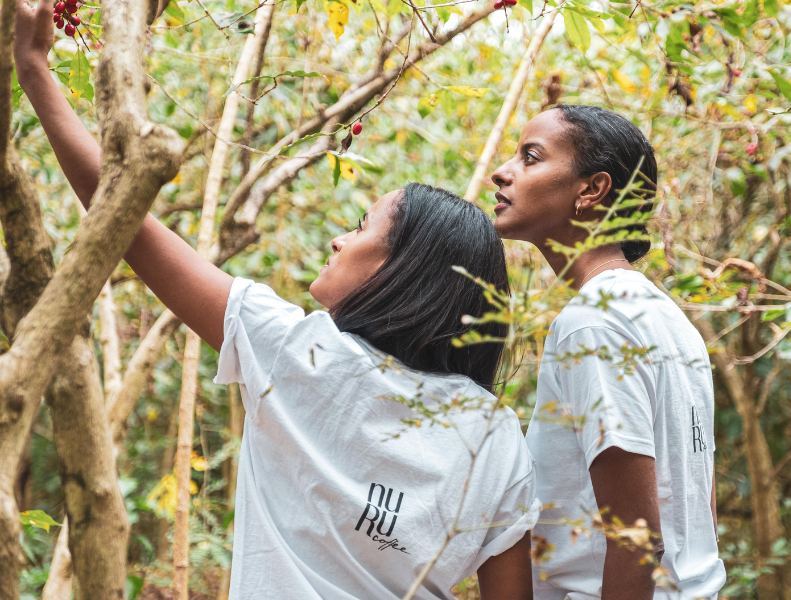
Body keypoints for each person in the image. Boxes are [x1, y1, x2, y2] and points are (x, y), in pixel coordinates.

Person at [14, 3, 539, 598]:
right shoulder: (496, 435)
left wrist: (35, 70)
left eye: (362, 225)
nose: (340, 238)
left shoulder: (300, 354)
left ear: (405, 269)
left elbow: (127, 222)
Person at [489, 105, 726, 600]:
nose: (502, 171)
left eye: (530, 157)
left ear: (591, 190)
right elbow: (699, 496)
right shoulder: (667, 318)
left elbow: (638, 538)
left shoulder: (592, 323)